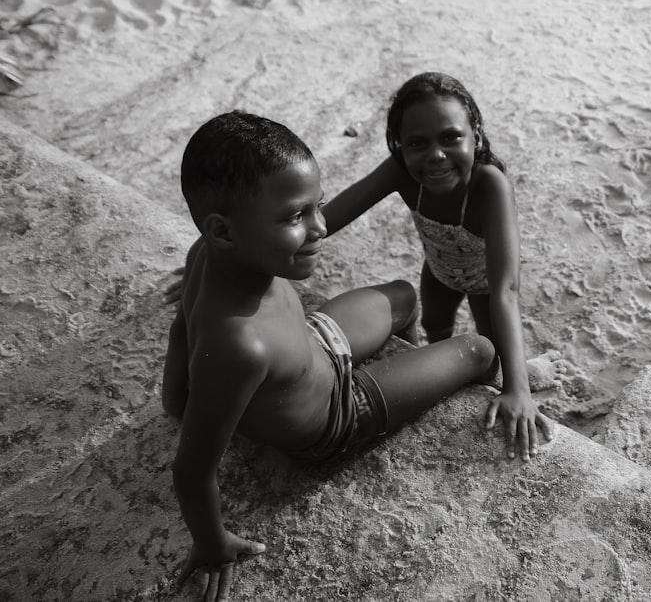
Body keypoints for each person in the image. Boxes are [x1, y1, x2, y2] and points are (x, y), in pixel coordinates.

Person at [162, 110, 498, 600]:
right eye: (296, 216)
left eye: (316, 206)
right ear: (225, 231)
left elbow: (179, 332)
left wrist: (174, 400)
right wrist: (212, 544)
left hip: (315, 342)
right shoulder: (238, 345)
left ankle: (414, 358)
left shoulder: (207, 254)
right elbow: (191, 470)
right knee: (478, 348)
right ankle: (454, 378)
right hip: (336, 414)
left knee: (403, 294)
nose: (321, 227)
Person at [321, 71, 559, 465]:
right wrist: (229, 250)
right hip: (438, 273)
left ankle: (529, 374)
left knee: (491, 365)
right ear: (400, 148)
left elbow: (506, 291)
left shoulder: (489, 185)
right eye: (417, 143)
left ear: (476, 135)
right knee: (435, 331)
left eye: (451, 137)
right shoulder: (400, 172)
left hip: (486, 286)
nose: (435, 155)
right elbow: (328, 219)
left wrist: (518, 391)